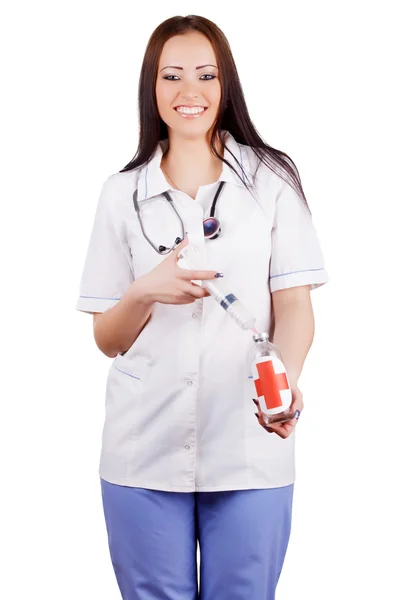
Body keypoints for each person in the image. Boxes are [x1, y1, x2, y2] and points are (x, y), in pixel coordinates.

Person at [75, 14, 329, 600]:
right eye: (171, 76)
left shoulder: (271, 180)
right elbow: (106, 339)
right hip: (144, 446)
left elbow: (294, 307)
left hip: (249, 440)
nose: (189, 91)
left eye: (206, 74)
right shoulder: (121, 194)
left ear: (226, 85)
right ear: (152, 88)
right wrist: (144, 289)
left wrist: (284, 383)